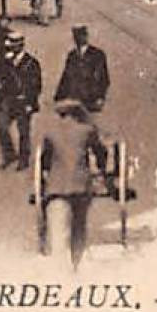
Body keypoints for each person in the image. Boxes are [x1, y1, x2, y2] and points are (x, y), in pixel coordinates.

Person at [36, 99, 107, 268]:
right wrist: (101, 170)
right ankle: (76, 262)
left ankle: (60, 271)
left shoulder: (50, 133)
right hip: (80, 186)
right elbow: (100, 153)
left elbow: (44, 161)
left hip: (56, 187)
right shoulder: (87, 130)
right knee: (78, 225)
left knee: (59, 232)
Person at [0, 33, 42, 170]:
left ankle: (24, 159)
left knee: (23, 130)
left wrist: (31, 103)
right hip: (9, 100)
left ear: (21, 45)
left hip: (24, 101)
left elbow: (36, 86)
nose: (11, 48)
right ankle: (9, 155)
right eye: (10, 45)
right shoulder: (6, 61)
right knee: (1, 126)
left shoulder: (32, 63)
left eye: (14, 45)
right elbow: (0, 81)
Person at [53, 24, 110, 113]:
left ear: (86, 37)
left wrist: (100, 97)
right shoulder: (72, 55)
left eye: (82, 35)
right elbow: (65, 77)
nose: (79, 39)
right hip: (73, 99)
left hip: (90, 99)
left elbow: (104, 78)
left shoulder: (97, 54)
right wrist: (58, 96)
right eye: (76, 36)